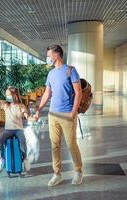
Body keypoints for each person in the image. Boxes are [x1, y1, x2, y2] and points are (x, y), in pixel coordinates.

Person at [34, 45, 83, 186]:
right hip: (53, 115)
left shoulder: (70, 70)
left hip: (67, 114)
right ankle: (57, 174)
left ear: (57, 55)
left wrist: (73, 113)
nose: (48, 58)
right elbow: (47, 93)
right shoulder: (51, 74)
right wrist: (39, 109)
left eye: (49, 55)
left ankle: (78, 171)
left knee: (71, 144)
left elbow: (78, 93)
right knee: (55, 145)